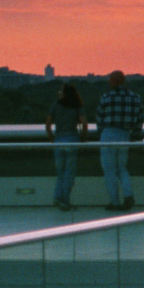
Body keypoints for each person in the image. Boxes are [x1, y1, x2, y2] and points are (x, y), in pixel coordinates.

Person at [95, 69, 144, 211]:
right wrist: (135, 133)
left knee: (109, 170)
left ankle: (114, 202)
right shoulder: (135, 97)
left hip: (109, 133)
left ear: (112, 81)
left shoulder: (106, 97)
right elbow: (139, 119)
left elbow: (99, 118)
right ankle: (128, 194)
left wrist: (101, 132)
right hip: (125, 135)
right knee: (122, 168)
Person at [44, 82, 88, 210]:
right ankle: (65, 200)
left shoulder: (56, 105)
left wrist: (52, 138)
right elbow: (84, 124)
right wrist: (83, 139)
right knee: (69, 173)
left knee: (60, 172)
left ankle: (57, 197)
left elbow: (48, 124)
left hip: (59, 141)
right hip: (72, 140)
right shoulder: (77, 106)